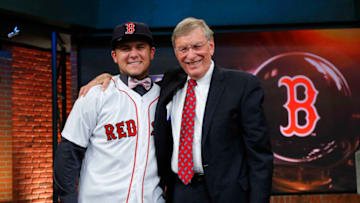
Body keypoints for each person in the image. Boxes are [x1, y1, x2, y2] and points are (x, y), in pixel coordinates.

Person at [81, 17, 273, 203]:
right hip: (179, 192)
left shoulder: (242, 85)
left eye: (197, 46)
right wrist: (107, 78)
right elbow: (135, 81)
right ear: (176, 52)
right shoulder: (172, 82)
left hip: (227, 193)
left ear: (211, 46)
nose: (191, 55)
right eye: (183, 49)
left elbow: (260, 156)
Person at [54, 22, 164, 203]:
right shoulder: (95, 95)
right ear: (114, 56)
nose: (133, 54)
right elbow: (68, 154)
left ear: (151, 52)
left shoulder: (165, 97)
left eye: (140, 47)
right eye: (125, 48)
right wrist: (68, 199)